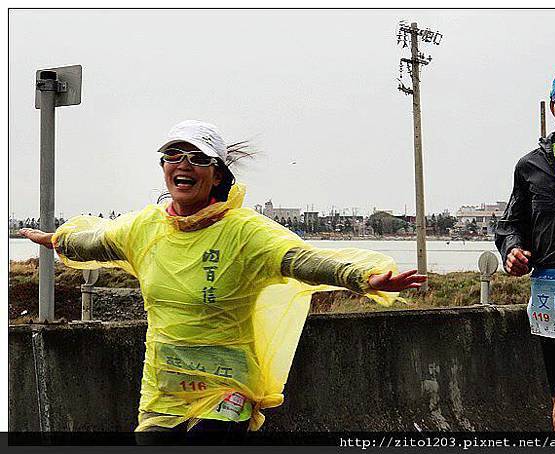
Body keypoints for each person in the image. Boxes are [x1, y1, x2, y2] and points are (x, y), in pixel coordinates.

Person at [20, 119, 427, 442]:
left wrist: (362, 277)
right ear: (163, 169)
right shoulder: (145, 228)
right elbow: (97, 241)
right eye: (172, 155)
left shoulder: (244, 232)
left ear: (216, 175)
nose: (183, 164)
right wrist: (57, 238)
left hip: (226, 386)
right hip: (165, 385)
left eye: (197, 158)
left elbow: (300, 260)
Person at [495, 67, 555, 432]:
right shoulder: (530, 165)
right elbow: (511, 224)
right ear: (553, 108)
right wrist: (513, 251)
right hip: (550, 300)